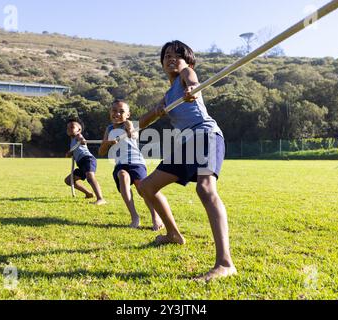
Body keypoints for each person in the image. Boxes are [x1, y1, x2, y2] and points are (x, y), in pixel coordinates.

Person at [138, 41, 236, 281]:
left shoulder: (186, 74)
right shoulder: (168, 95)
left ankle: (225, 263)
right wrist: (157, 111)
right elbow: (141, 123)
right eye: (167, 56)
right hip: (186, 144)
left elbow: (194, 83)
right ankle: (173, 234)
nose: (171, 59)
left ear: (188, 61)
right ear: (162, 63)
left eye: (177, 56)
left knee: (205, 188)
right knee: (146, 187)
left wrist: (193, 90)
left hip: (206, 135)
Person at [99, 100, 164, 230]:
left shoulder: (128, 123)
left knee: (142, 189)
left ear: (128, 115)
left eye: (121, 111)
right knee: (122, 176)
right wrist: (108, 143)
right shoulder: (109, 129)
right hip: (120, 163)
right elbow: (101, 151)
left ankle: (155, 217)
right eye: (114, 110)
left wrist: (130, 133)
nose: (117, 113)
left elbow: (133, 133)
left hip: (136, 162)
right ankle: (134, 216)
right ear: (110, 113)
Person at [64, 118, 107, 206]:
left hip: (88, 159)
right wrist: (70, 153)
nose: (69, 129)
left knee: (90, 177)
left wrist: (82, 140)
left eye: (71, 127)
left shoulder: (78, 136)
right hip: (80, 164)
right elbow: (74, 151)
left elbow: (81, 140)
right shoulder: (72, 141)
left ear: (79, 130)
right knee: (68, 180)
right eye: (67, 128)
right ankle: (88, 194)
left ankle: (100, 198)